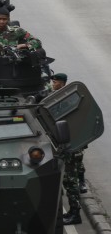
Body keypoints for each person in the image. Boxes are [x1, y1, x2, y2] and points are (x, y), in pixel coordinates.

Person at [48, 73, 86, 225]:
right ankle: (72, 212)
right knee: (70, 181)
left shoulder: (67, 100)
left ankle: (75, 214)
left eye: (55, 82)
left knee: (70, 182)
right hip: (68, 146)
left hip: (70, 147)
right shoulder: (59, 97)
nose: (53, 84)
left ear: (62, 83)